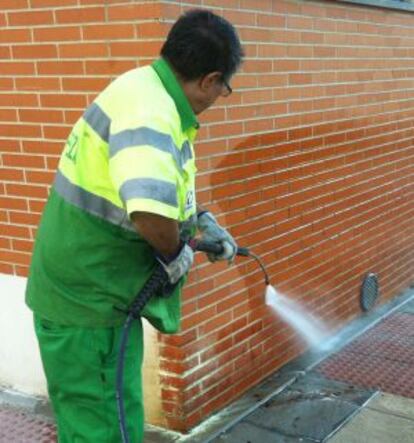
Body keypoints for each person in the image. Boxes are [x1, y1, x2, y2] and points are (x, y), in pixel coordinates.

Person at [25, 9, 244, 443]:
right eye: (224, 88)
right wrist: (175, 255)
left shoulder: (144, 88)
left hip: (84, 297)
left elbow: (153, 186)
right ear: (209, 79)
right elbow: (147, 211)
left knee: (96, 417)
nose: (221, 96)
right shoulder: (151, 112)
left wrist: (199, 220)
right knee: (105, 427)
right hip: (90, 306)